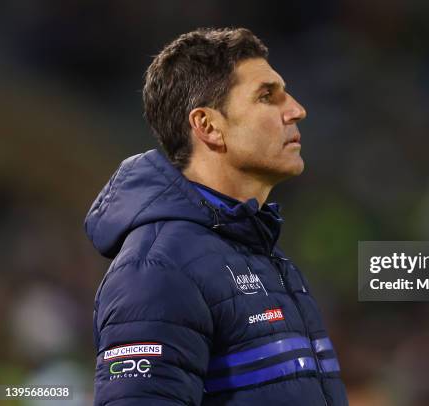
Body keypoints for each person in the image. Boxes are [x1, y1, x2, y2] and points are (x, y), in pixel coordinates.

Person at [84, 27, 349, 405]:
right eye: (266, 96)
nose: (296, 110)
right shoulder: (159, 267)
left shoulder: (260, 255)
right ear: (208, 126)